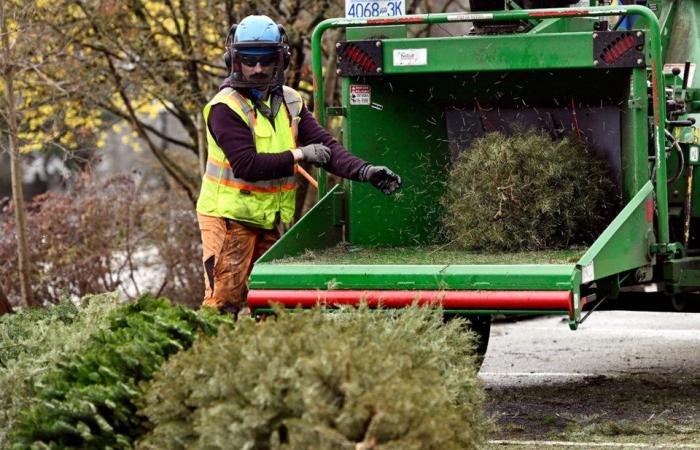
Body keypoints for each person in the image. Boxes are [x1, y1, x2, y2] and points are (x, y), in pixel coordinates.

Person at [196, 15, 402, 316]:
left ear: (280, 60)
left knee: (272, 305)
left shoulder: (290, 101)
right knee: (222, 305)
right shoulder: (225, 107)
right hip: (228, 220)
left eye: (266, 61)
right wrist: (300, 154)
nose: (257, 69)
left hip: (268, 219)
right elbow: (247, 165)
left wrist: (365, 172)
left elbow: (327, 148)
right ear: (234, 60)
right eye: (249, 61)